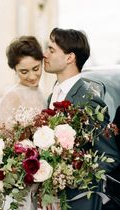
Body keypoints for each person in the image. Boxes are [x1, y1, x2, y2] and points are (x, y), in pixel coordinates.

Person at [43, 27, 120, 210]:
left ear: (70, 58)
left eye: (51, 50)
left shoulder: (89, 100)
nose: (44, 54)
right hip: (52, 199)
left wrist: (71, 175)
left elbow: (110, 155)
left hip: (79, 200)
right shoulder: (52, 95)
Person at [0, 36, 47, 210]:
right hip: (21, 177)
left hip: (44, 175)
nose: (32, 76)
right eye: (24, 71)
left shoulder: (43, 93)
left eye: (36, 68)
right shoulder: (12, 97)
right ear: (15, 69)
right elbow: (7, 142)